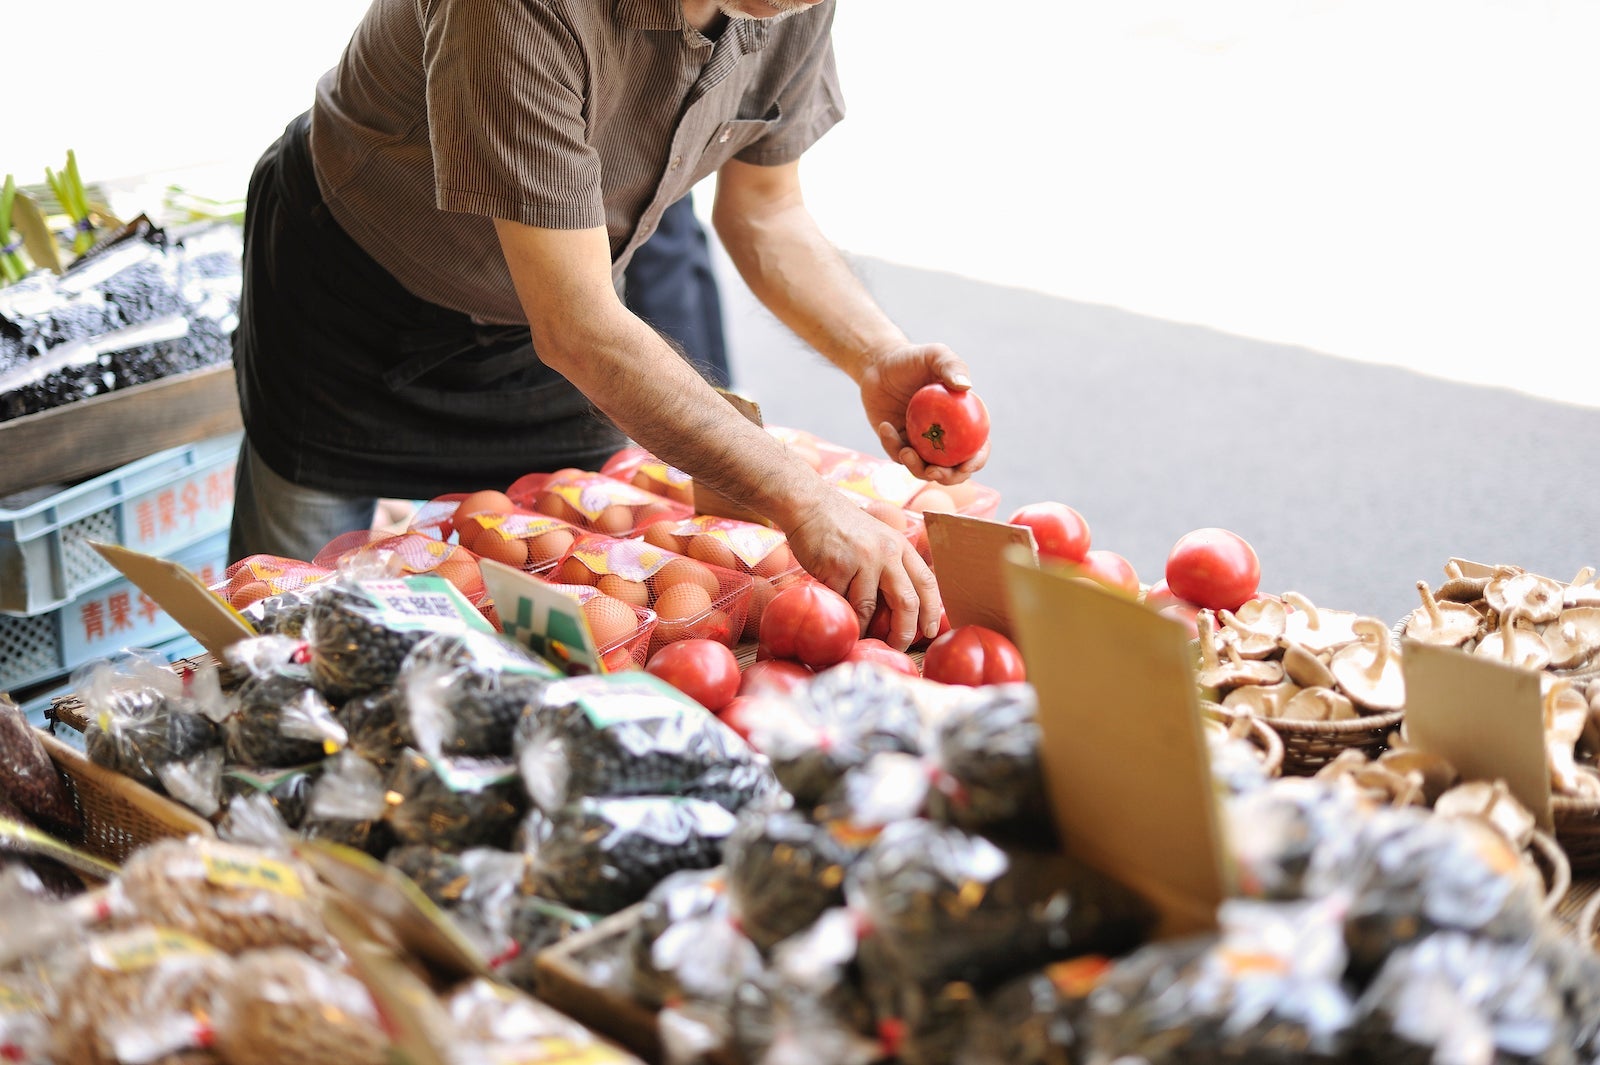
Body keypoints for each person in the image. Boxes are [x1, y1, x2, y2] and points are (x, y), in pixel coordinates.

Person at [228, 0, 988, 651]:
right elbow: (581, 329)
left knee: (572, 596)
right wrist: (806, 500)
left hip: (559, 307)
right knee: (281, 625)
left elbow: (766, 212)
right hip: (356, 296)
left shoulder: (784, 4)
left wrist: (875, 354)